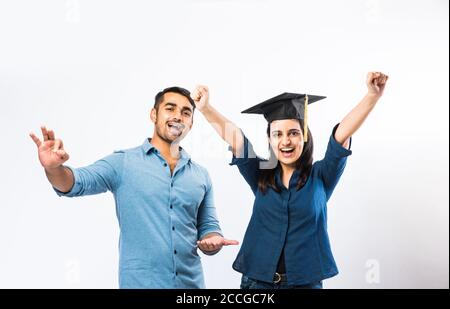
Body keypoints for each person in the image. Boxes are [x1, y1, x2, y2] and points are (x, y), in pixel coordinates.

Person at [192, 72, 389, 289]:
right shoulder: (260, 174)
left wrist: (372, 96)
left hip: (304, 284)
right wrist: (205, 108)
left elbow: (341, 135)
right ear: (270, 139)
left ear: (304, 136)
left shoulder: (322, 176)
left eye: (293, 133)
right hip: (257, 284)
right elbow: (236, 137)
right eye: (278, 134)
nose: (286, 141)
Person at [30, 86, 238, 288]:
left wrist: (212, 241)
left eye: (186, 113)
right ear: (153, 115)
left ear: (191, 123)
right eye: (170, 108)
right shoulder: (123, 163)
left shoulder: (201, 175)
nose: (178, 116)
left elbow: (209, 227)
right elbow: (76, 183)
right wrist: (54, 169)